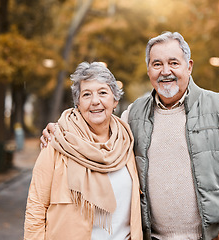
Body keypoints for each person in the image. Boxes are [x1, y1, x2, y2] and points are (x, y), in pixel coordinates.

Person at [41, 32, 219, 240]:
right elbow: (95, 134)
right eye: (157, 64)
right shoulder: (133, 115)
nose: (166, 71)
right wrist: (60, 130)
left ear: (189, 67)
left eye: (174, 63)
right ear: (149, 71)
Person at [25, 62, 142, 240]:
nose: (95, 101)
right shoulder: (57, 142)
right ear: (78, 103)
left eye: (103, 92)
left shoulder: (127, 142)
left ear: (115, 100)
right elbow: (36, 206)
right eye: (87, 94)